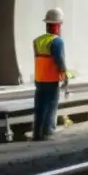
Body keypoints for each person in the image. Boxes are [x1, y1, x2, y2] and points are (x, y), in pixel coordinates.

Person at [32, 8, 68, 141]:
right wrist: (65, 76)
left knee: (39, 107)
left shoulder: (38, 41)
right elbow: (59, 60)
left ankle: (37, 133)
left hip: (39, 79)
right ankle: (48, 132)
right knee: (51, 106)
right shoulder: (57, 41)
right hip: (51, 80)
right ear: (58, 26)